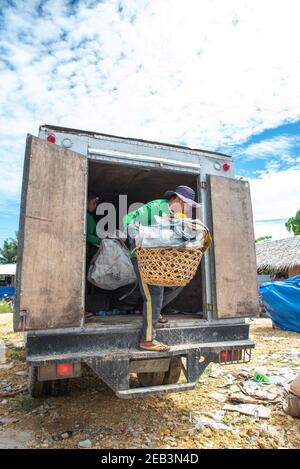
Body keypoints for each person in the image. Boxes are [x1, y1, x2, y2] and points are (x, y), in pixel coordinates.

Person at [123, 185, 200, 352]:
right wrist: (139, 238)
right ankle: (147, 340)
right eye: (187, 204)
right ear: (179, 200)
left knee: (175, 283)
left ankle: (155, 312)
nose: (187, 209)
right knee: (153, 296)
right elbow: (128, 219)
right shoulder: (156, 207)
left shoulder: (178, 215)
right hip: (144, 259)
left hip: (160, 260)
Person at [86, 192, 102, 263]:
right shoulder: (82, 216)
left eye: (96, 204)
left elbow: (97, 231)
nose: (95, 206)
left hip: (87, 253)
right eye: (94, 203)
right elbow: (84, 235)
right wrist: (100, 240)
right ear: (86, 202)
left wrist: (106, 236)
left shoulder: (90, 218)